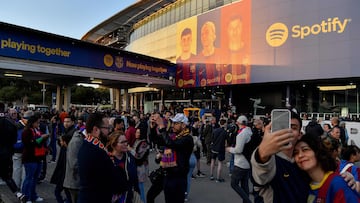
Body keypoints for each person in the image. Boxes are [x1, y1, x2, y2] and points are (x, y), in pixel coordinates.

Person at [294, 133, 360, 202]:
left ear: (318, 151)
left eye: (305, 149)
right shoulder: (302, 185)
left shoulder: (338, 183)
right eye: (296, 153)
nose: (300, 155)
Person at [77, 112, 128, 203]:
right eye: (107, 128)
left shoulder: (86, 144)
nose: (109, 132)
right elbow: (116, 182)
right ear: (96, 129)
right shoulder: (98, 152)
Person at [154, 113, 194, 203]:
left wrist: (161, 126)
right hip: (169, 175)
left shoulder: (187, 138)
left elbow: (171, 144)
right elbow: (163, 141)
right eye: (173, 123)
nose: (173, 126)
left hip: (178, 178)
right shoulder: (176, 136)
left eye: (176, 123)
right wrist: (154, 127)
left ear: (183, 125)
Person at [0, 102, 25, 201]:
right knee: (7, 176)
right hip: (6, 154)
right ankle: (18, 193)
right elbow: (14, 140)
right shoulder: (11, 123)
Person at [22, 114, 49, 202]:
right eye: (37, 122)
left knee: (34, 178)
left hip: (38, 157)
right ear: (32, 123)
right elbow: (31, 144)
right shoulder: (27, 131)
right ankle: (26, 197)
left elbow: (38, 142)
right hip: (30, 158)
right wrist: (42, 138)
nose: (39, 124)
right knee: (29, 178)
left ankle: (33, 195)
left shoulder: (36, 130)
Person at [107, 131, 140, 203]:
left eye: (126, 141)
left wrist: (137, 193)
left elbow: (135, 179)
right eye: (122, 142)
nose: (126, 144)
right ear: (114, 144)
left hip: (130, 197)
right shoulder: (107, 160)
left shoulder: (130, 157)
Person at [226, 115, 252, 203]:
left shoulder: (241, 134)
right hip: (247, 162)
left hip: (240, 163)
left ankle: (248, 201)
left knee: (234, 183)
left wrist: (230, 149)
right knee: (245, 185)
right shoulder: (249, 131)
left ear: (238, 123)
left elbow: (238, 150)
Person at [129, 128, 150, 203]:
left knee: (140, 187)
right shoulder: (137, 141)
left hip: (141, 168)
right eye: (136, 132)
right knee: (138, 187)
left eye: (138, 132)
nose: (137, 134)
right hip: (138, 167)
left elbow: (139, 156)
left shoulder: (143, 143)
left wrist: (130, 149)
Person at [50, 135, 72, 203]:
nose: (60, 142)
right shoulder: (66, 149)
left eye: (61, 141)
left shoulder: (65, 151)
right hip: (65, 177)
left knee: (57, 192)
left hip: (63, 177)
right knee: (68, 194)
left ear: (65, 142)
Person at [209, 118, 228, 182]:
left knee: (212, 161)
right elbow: (227, 140)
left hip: (214, 148)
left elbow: (212, 139)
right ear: (225, 124)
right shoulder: (225, 132)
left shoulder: (215, 130)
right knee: (220, 163)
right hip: (221, 149)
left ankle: (211, 175)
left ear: (219, 123)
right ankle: (218, 178)